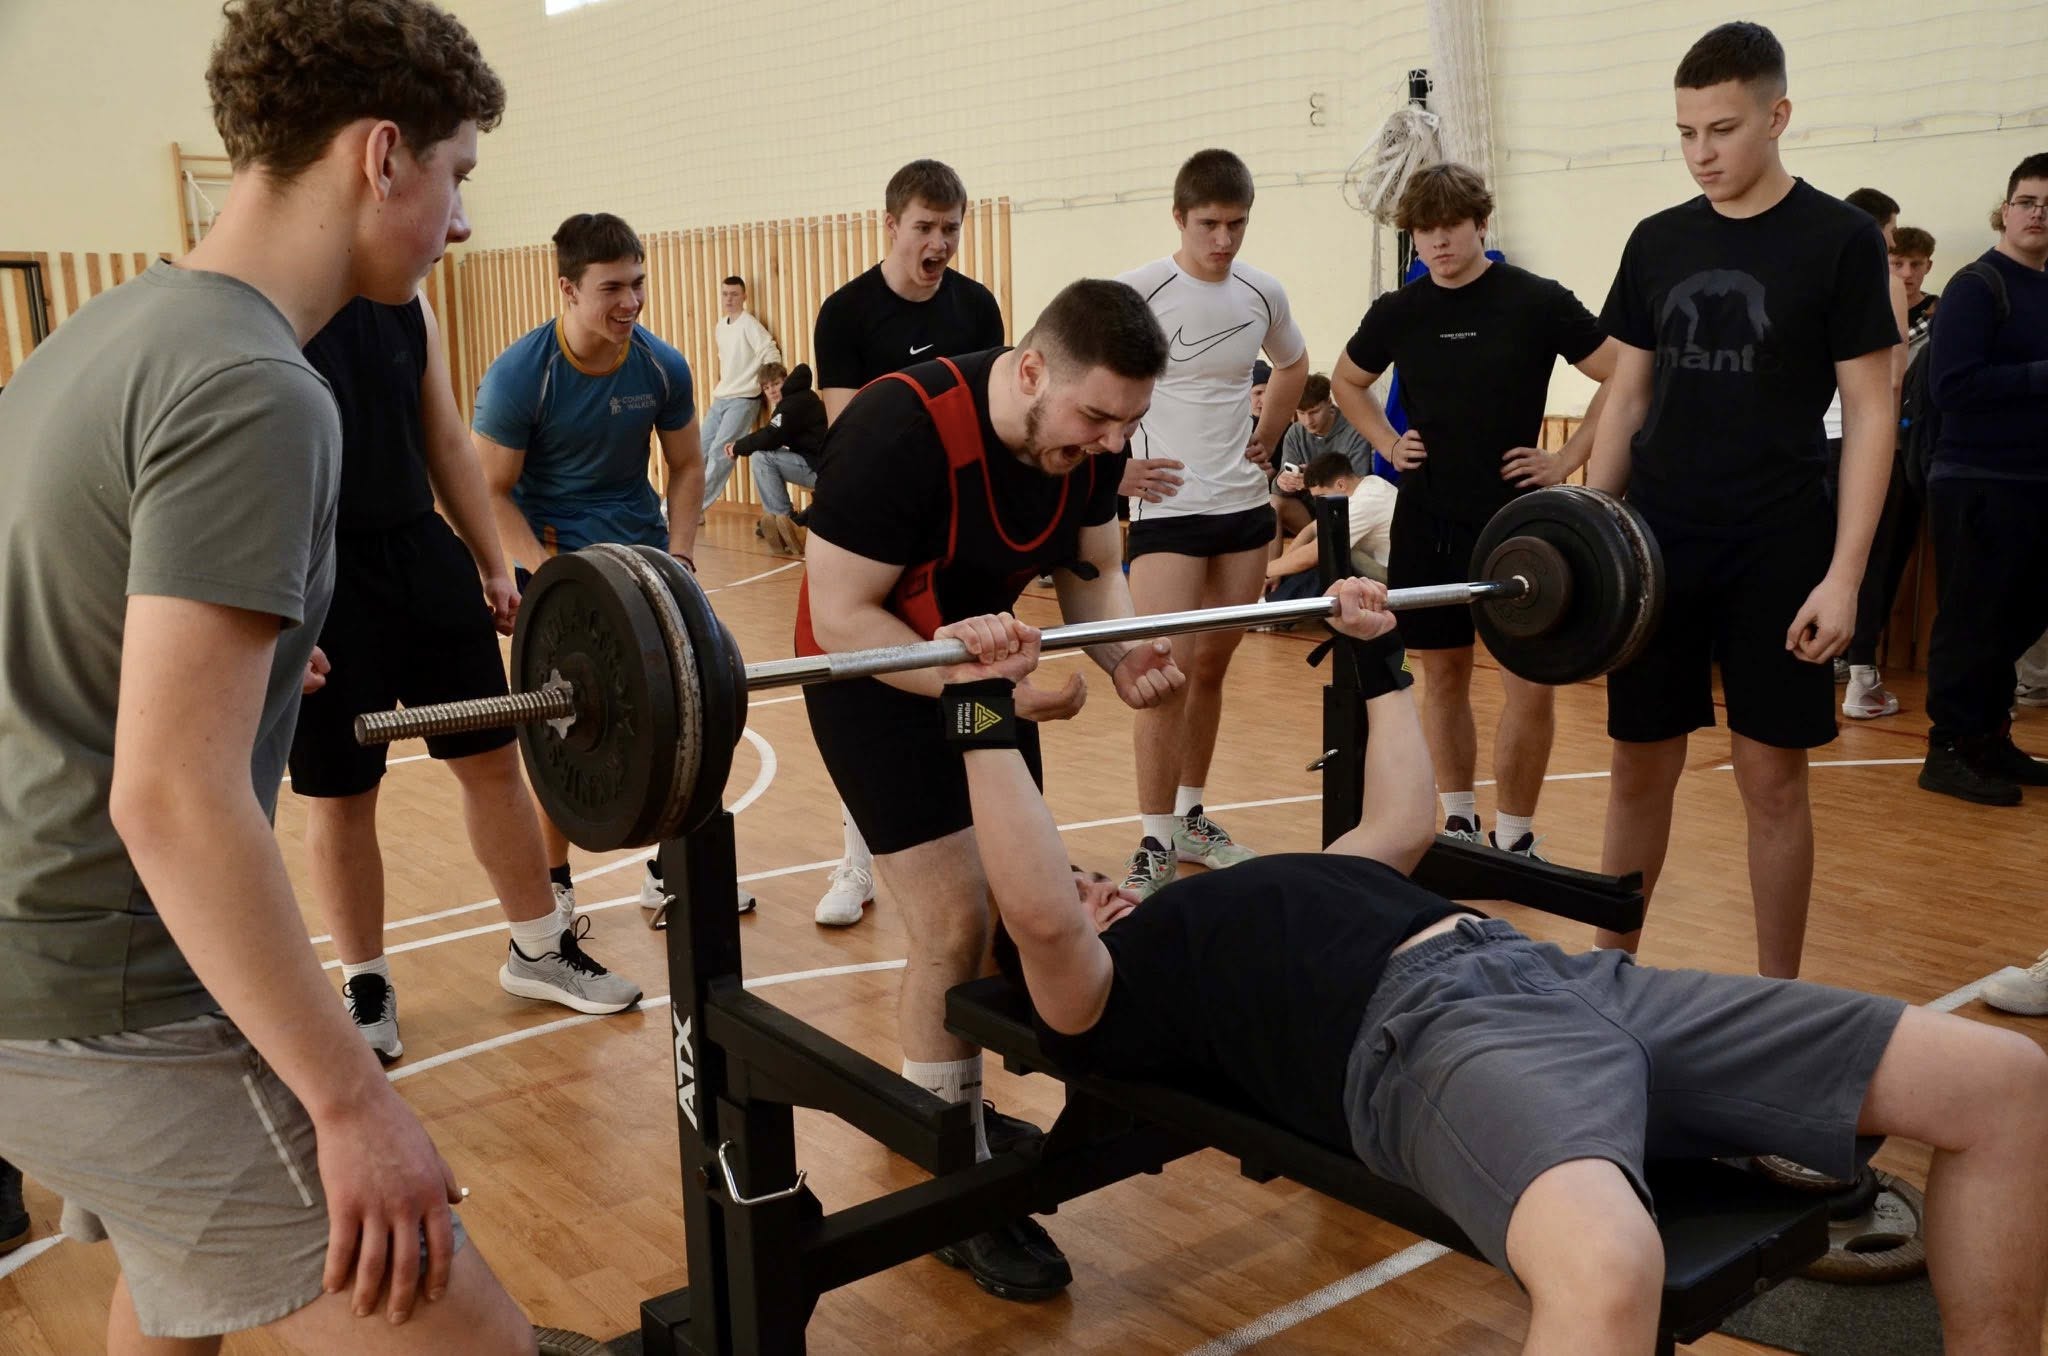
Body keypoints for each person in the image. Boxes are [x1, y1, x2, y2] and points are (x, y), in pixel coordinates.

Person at [936, 591, 2048, 1356]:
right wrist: (982, 704)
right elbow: (1034, 914)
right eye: (1079, 888)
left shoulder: (1260, 890)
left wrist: (1377, 654)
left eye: (1093, 872)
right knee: (1607, 1267)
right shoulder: (1104, 992)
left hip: (1566, 979)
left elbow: (1403, 821)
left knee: (2001, 1082)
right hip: (1429, 1042)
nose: (1095, 886)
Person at [0, 2, 537, 1351]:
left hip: (31, 957)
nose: (461, 221)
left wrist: (199, 673)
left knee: (170, 1292)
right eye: (457, 175)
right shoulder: (255, 385)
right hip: (99, 984)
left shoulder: (104, 334)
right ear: (382, 156)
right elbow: (173, 800)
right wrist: (354, 1101)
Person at [799, 278, 1184, 1300]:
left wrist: (1125, 656)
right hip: (876, 684)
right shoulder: (895, 428)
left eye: (1128, 425)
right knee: (954, 921)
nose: (1110, 445)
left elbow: (1093, 572)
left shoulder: (1086, 448)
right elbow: (841, 617)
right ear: (1032, 371)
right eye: (1095, 418)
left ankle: (951, 1108)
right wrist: (987, 691)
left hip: (987, 679)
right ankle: (953, 1186)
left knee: (1021, 904)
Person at [1584, 22, 1901, 979]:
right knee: (1639, 765)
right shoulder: (1658, 240)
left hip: (1780, 543)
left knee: (1772, 777)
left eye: (1721, 130)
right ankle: (1607, 979)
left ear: (1777, 116)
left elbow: (1871, 410)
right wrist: (1591, 537)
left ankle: (1777, 1001)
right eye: (1686, 132)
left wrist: (1845, 577)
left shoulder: (1840, 240)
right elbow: (1626, 397)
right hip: (1659, 543)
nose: (1701, 153)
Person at [290, 293, 642, 1065]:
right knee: (341, 793)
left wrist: (492, 562)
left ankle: (539, 948)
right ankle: (365, 983)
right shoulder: (276, 301)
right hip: (319, 573)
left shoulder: (405, 304)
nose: (452, 234)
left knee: (492, 763)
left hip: (422, 555)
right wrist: (282, 607)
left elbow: (445, 436)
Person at [1331, 162, 1619, 858]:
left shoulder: (1536, 299)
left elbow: (1622, 370)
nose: (1437, 242)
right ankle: (1458, 821)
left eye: (1450, 226)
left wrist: (1567, 457)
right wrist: (1388, 444)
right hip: (1428, 518)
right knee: (1443, 676)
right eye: (1424, 230)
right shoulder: (1399, 310)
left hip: (1521, 523)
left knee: (1529, 684)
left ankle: (1515, 835)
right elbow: (1346, 381)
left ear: (1480, 224)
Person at [470, 212, 746, 921]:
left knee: (689, 713)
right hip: (559, 565)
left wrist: (680, 555)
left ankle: (669, 872)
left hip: (645, 559)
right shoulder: (521, 376)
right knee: (564, 728)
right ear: (568, 288)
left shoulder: (661, 365)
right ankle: (555, 886)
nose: (631, 302)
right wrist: (546, 575)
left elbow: (686, 467)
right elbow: (489, 491)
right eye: (612, 288)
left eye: (638, 284)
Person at [808, 159, 1007, 927]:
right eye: (925, 227)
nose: (939, 243)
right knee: (877, 700)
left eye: (951, 228)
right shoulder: (847, 314)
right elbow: (848, 436)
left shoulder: (976, 307)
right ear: (891, 225)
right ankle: (857, 862)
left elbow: (992, 421)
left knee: (971, 692)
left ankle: (988, 848)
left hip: (959, 548)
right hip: (877, 547)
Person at [1117, 149, 1310, 898]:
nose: (1223, 240)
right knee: (1163, 672)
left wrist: (1272, 430)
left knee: (1210, 670)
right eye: (1209, 224)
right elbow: (1076, 378)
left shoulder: (1262, 292)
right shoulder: (1139, 292)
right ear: (1179, 217)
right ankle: (1153, 839)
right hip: (1166, 510)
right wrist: (1113, 470)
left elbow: (1292, 364)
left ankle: (1190, 818)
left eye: (1236, 224)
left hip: (1242, 511)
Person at [1914, 152, 2048, 805]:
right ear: (2005, 209)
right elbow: (1953, 386)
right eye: (2028, 201)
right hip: (1977, 480)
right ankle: (1948, 750)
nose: (2038, 214)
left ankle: (1989, 739)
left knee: (2015, 619)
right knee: (1972, 622)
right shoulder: (1976, 286)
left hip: (2033, 482)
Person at [1825, 188, 1913, 720]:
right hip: (1861, 442)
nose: (1893, 244)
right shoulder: (1884, 280)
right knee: (1870, 560)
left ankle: (1818, 667)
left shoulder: (1817, 270)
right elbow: (1893, 375)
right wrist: (1891, 441)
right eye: (1891, 232)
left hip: (1812, 444)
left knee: (1815, 558)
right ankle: (1862, 679)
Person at [698, 275, 782, 514]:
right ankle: (690, 510)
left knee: (720, 454)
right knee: (698, 451)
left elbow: (771, 352)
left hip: (744, 400)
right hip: (721, 398)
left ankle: (690, 510)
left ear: (744, 296)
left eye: (734, 294)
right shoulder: (720, 326)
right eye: (725, 294)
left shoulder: (750, 325)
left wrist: (768, 385)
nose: (729, 299)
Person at [1264, 452, 1396, 602]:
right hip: (1386, 565)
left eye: (1321, 496)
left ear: (1340, 485)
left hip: (1394, 577)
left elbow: (1312, 555)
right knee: (1326, 546)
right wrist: (1277, 571)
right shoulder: (1370, 482)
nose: (1319, 502)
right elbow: (1312, 528)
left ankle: (1283, 605)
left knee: (1332, 551)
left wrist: (1264, 571)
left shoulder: (1365, 502)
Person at [727, 361, 825, 555]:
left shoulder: (793, 403)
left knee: (761, 457)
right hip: (818, 465)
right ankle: (781, 521)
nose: (771, 391)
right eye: (766, 387)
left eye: (776, 384)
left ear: (786, 381)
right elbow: (773, 438)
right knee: (764, 455)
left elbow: (770, 436)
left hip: (822, 470)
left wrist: (737, 447)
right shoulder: (798, 399)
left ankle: (784, 521)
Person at [1270, 373, 1376, 542]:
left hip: (1346, 514)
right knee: (1274, 502)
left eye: (1314, 412)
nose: (1308, 421)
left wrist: (1313, 481)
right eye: (1301, 413)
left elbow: (1355, 486)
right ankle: (1272, 561)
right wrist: (1281, 482)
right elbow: (1278, 486)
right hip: (1308, 515)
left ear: (1329, 402)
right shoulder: (1295, 433)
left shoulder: (1355, 430)